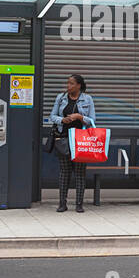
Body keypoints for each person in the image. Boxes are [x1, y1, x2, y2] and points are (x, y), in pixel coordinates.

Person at [48, 74, 95, 213]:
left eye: (71, 83)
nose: (68, 86)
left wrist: (79, 117)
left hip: (81, 140)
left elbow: (92, 120)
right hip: (63, 138)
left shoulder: (87, 99)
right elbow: (52, 116)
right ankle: (62, 203)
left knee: (80, 173)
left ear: (79, 85)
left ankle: (79, 204)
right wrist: (62, 120)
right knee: (64, 172)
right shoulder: (61, 97)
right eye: (68, 83)